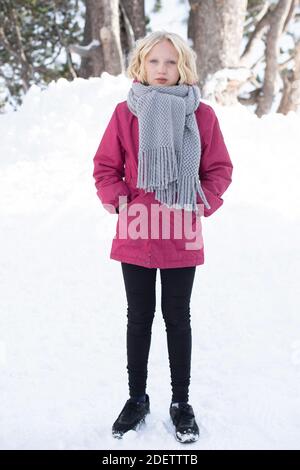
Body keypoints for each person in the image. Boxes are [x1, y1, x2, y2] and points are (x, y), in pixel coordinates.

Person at [92, 30, 233, 444]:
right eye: (154, 61)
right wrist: (120, 201)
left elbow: (219, 169)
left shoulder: (201, 115)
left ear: (182, 66)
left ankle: (180, 403)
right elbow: (105, 166)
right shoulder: (125, 113)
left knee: (178, 317)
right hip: (137, 227)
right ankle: (137, 399)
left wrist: (200, 200)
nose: (161, 69)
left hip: (181, 228)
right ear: (141, 65)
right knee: (139, 318)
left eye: (170, 62)